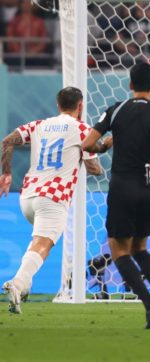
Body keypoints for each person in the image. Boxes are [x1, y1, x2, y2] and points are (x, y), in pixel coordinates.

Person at [82, 62, 150, 329]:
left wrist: (104, 147)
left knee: (119, 250)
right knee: (140, 247)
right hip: (149, 187)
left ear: (130, 85)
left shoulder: (116, 110)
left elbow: (88, 144)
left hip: (122, 187)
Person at [0, 87, 104, 314]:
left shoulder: (39, 125)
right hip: (53, 198)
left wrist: (6, 173)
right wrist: (101, 152)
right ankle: (18, 283)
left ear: (58, 105)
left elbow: (7, 141)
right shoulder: (82, 129)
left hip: (27, 197)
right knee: (43, 245)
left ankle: (24, 286)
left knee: (37, 242)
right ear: (80, 106)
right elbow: (94, 169)